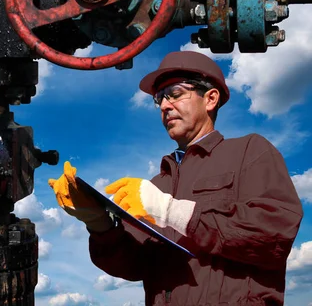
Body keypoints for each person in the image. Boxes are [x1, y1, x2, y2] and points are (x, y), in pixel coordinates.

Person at [48, 50, 303, 305]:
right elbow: (133, 266)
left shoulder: (250, 152)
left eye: (176, 94)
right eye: (159, 99)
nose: (165, 106)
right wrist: (98, 222)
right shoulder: (156, 185)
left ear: (210, 99)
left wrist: (172, 211)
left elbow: (274, 235)